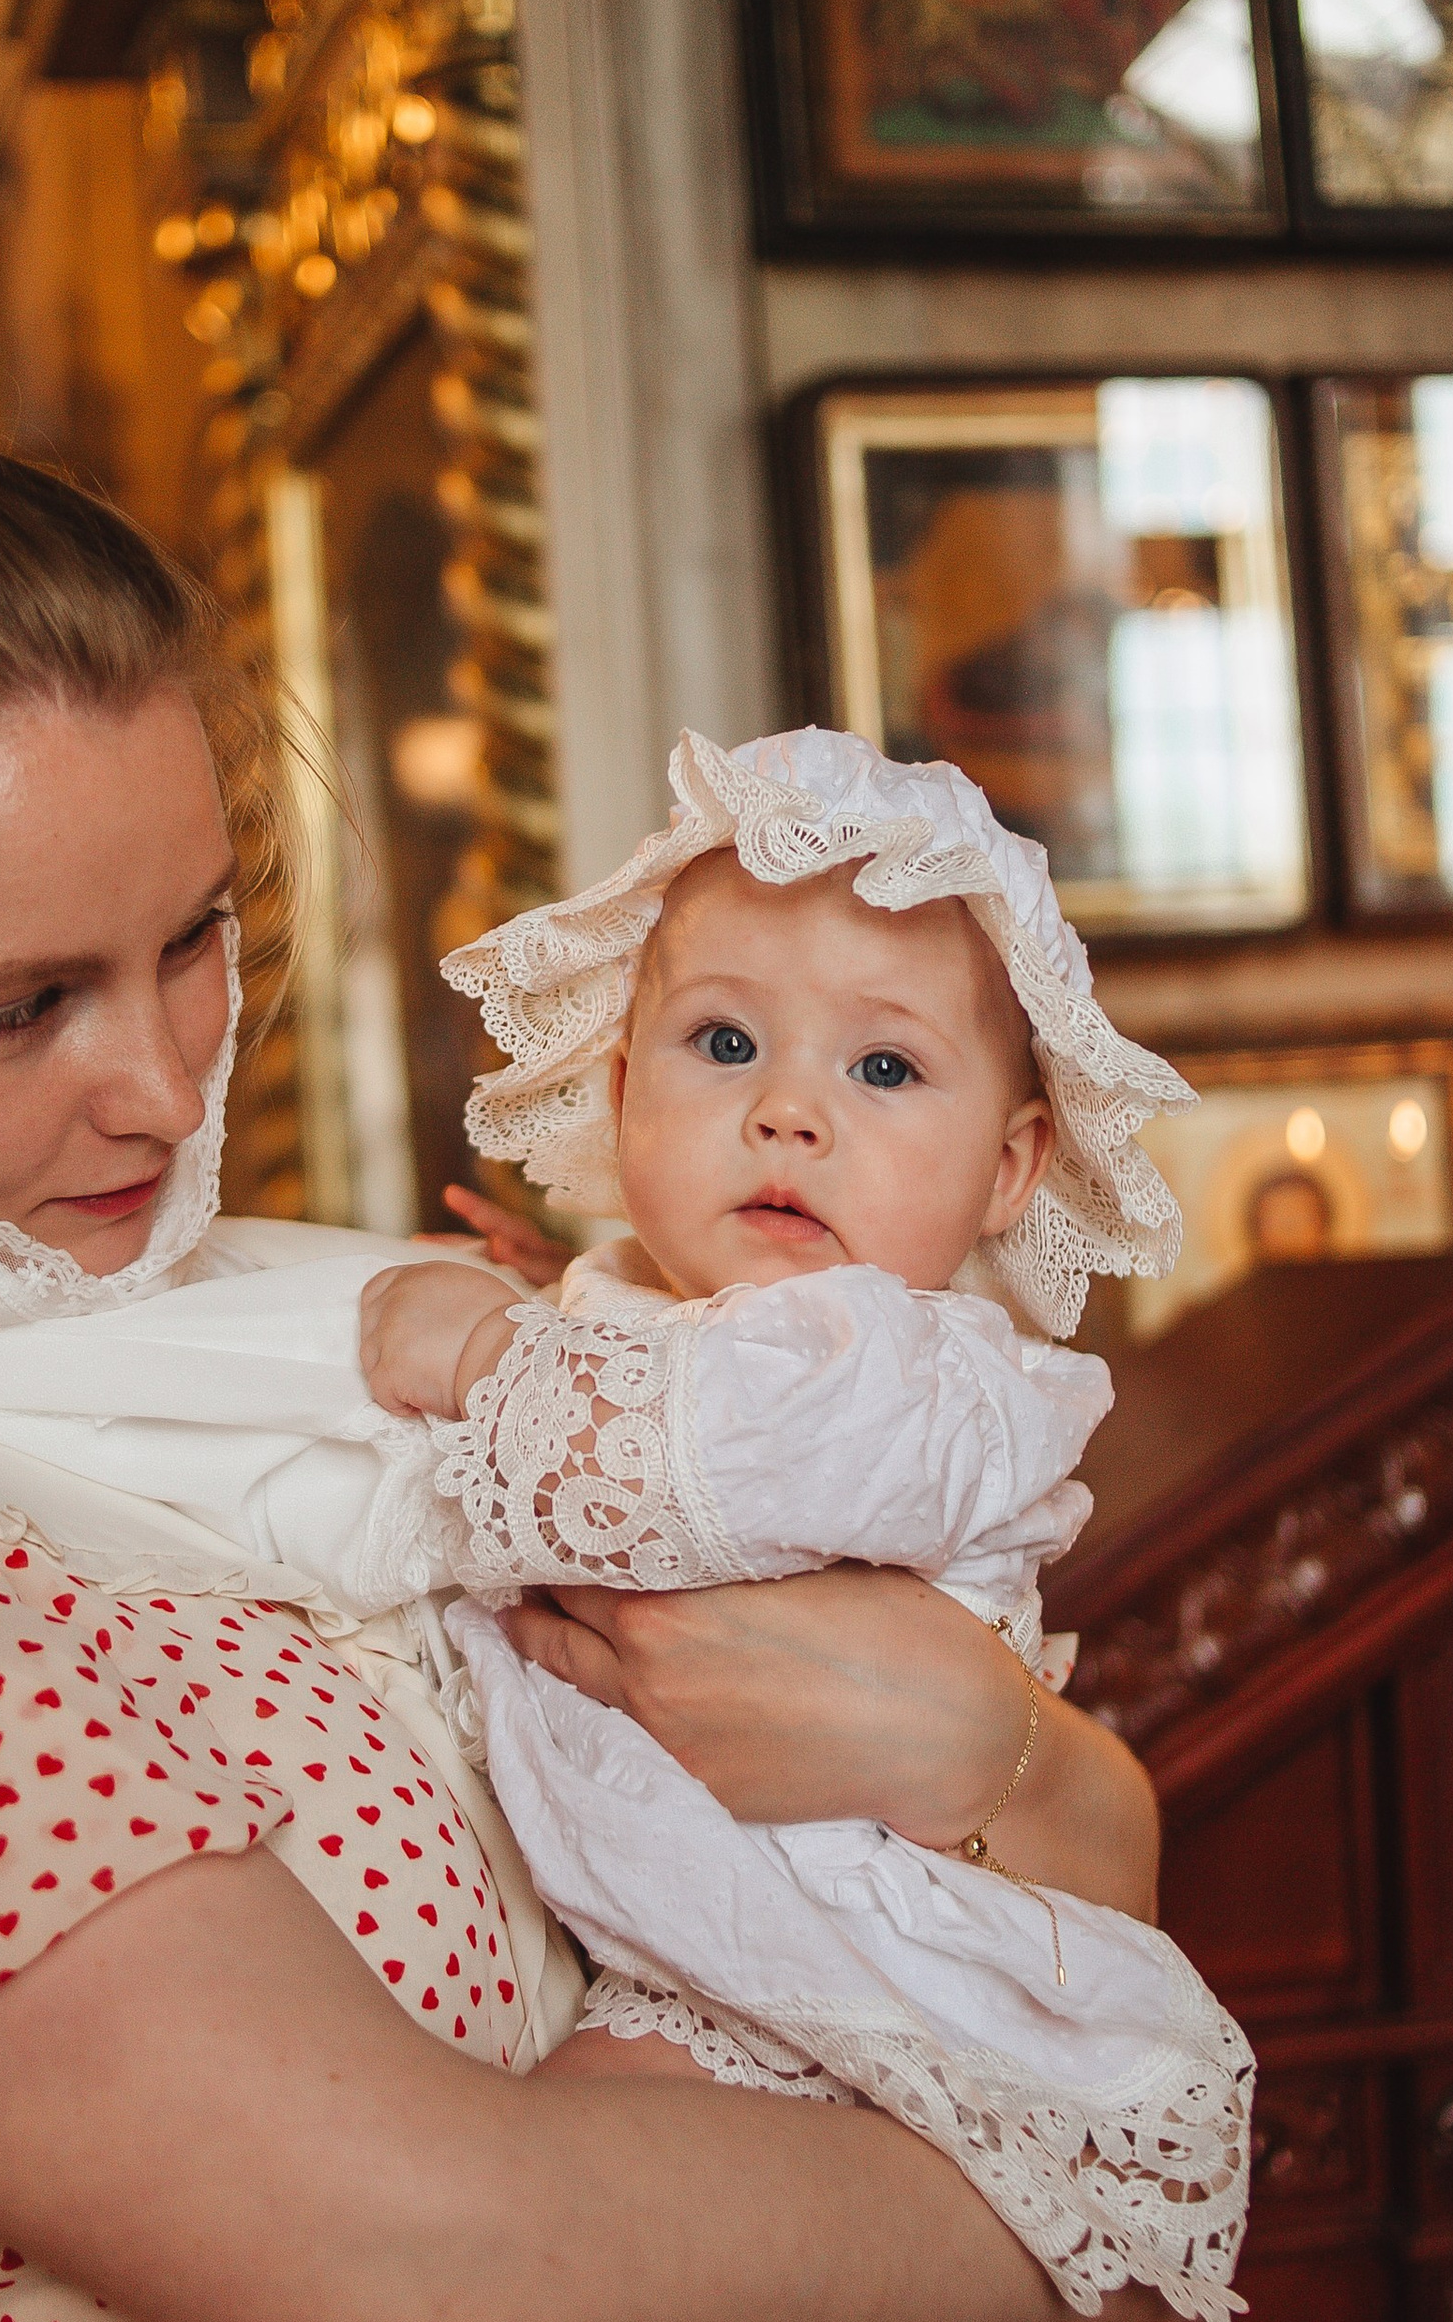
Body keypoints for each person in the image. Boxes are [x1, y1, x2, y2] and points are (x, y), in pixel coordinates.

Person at [0, 382, 1171, 2322]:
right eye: (19, 1006)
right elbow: (436, 2266)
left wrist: (1019, 1763)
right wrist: (1093, 2178)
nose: (166, 1089)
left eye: (190, 937)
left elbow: (1018, 1824)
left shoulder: (334, 1316)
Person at [356, 729, 1251, 2319]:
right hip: (708, 1966)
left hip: (860, 1986)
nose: (787, 1113)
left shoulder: (910, 1370)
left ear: (1009, 1169)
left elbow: (712, 1463)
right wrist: (558, 1309)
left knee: (507, 2226)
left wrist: (492, 1354)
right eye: (723, 1044)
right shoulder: (665, 1319)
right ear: (620, 1094)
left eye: (884, 1069)